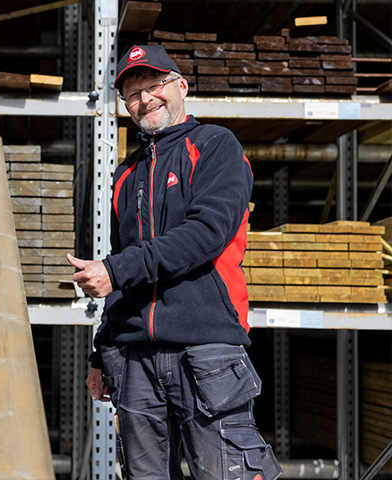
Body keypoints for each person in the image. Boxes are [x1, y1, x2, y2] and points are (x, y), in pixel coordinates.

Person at [66, 45, 281, 479]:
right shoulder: (126, 173)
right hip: (135, 361)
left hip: (206, 353)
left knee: (226, 472)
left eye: (154, 86)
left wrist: (115, 271)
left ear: (181, 86)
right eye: (132, 94)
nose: (145, 100)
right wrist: (101, 351)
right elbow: (121, 262)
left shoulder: (216, 146)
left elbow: (204, 236)